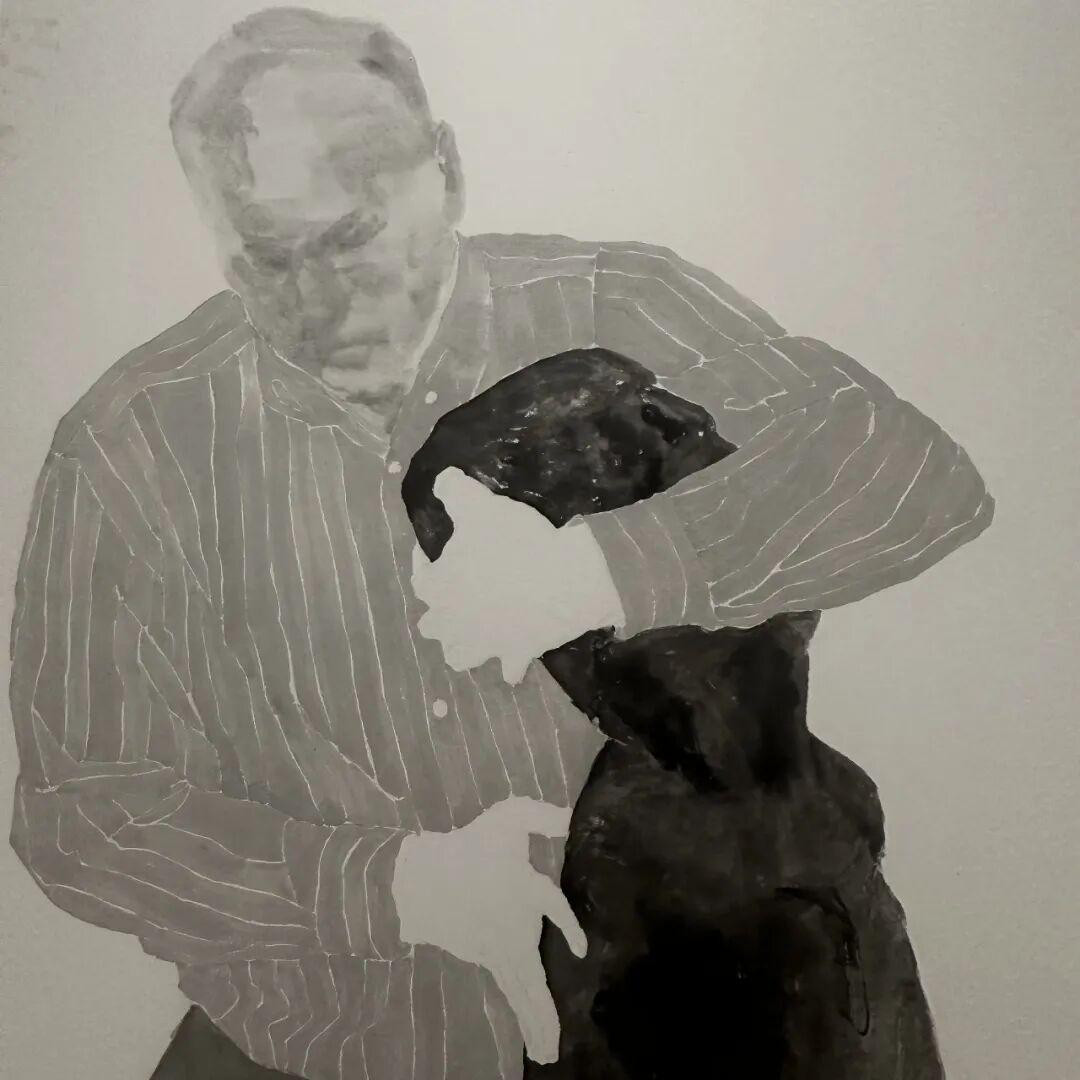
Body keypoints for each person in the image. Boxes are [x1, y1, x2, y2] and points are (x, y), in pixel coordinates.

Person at [8, 8, 993, 1080]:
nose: (322, 305)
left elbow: (909, 472)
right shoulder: (131, 446)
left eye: (351, 238)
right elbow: (83, 814)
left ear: (448, 171)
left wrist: (603, 571)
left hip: (696, 1025)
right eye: (267, 263)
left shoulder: (618, 303)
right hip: (322, 1049)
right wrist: (389, 889)